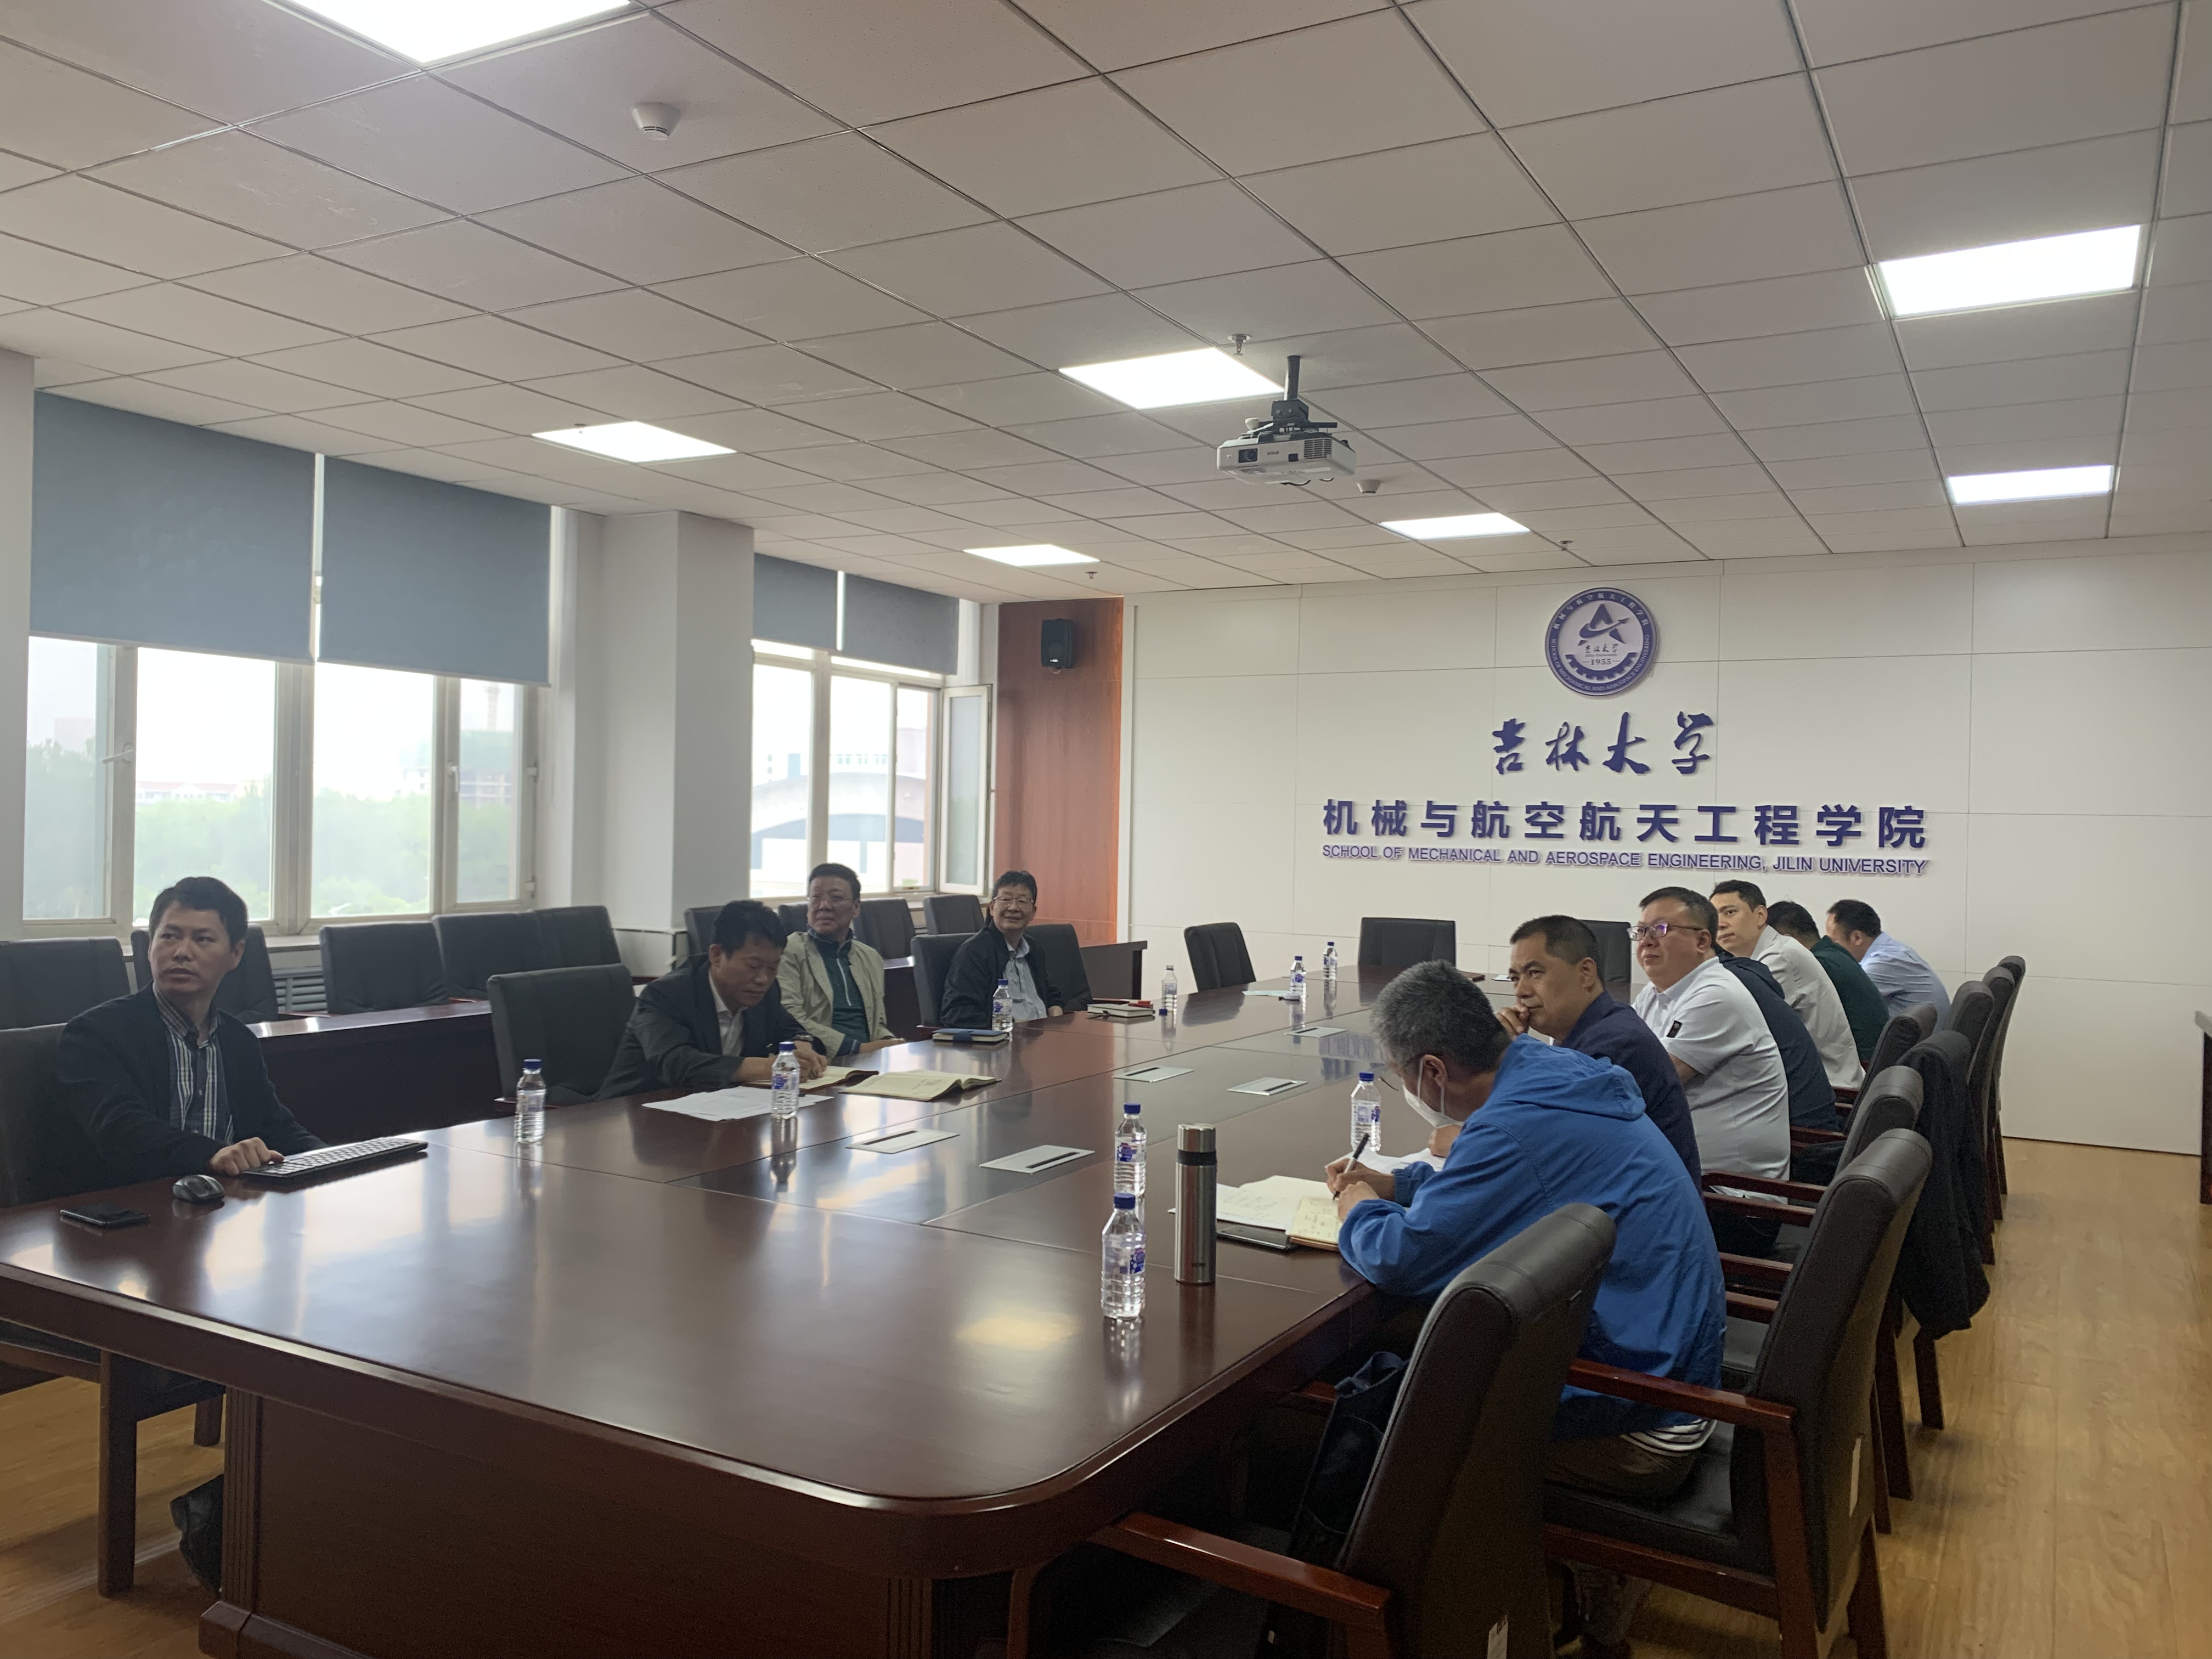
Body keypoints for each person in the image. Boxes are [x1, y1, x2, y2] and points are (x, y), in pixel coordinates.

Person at [1328, 961, 1724, 1659]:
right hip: (1670, 1375)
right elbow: (1497, 1177)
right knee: (1427, 1342)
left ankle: (1415, 1624)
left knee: (1379, 1422)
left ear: (1431, 1071)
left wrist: (1357, 1207)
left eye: (1399, 1077)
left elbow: (1400, 1259)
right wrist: (1398, 1183)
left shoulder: (1515, 1125)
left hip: (1639, 1422)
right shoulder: (1552, 1076)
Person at [50, 876, 325, 1195]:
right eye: (169, 936)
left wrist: (332, 1157)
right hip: (132, 1209)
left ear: (235, 954)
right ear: (150, 946)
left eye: (203, 939)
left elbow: (275, 1128)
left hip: (220, 1209)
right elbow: (122, 1131)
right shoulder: (96, 1034)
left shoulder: (238, 1040)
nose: (182, 952)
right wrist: (212, 1155)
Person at [1499, 915, 1700, 1181]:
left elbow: (1534, 1146)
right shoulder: (1594, 1026)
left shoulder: (1614, 1047)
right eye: (1515, 978)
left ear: (1586, 973)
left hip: (1637, 1203)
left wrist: (1502, 1060)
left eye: (1535, 973)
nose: (1521, 991)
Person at [1628, 887, 1791, 1184]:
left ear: (1702, 941)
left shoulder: (1717, 995)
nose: (1646, 941)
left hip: (1727, 1192)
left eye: (1660, 929)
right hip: (1678, 1174)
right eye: (1640, 931)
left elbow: (1646, 1085)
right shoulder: (1653, 993)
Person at [597, 900, 825, 1099]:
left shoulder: (765, 992)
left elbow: (789, 1029)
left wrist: (802, 1044)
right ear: (717, 955)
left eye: (773, 968)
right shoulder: (666, 995)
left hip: (717, 1113)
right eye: (753, 966)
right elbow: (675, 1064)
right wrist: (767, 1067)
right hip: (629, 1113)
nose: (763, 979)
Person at [1711, 880, 1860, 1093]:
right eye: (1715, 917)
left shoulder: (1780, 957)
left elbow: (1740, 1027)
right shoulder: (1760, 956)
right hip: (1805, 1079)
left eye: (1730, 912)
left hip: (1826, 1087)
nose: (1721, 924)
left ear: (1760, 915)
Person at [776, 863, 898, 1059]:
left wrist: (891, 1042)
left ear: (856, 908)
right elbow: (791, 1018)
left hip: (871, 1058)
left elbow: (878, 1023)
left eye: (836, 898)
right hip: (820, 1060)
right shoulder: (789, 952)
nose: (824, 906)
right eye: (816, 898)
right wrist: (856, 1049)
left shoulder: (870, 957)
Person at [938, 870, 1065, 1029]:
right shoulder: (974, 952)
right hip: (1005, 1040)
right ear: (992, 908)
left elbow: (1050, 994)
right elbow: (956, 1013)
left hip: (1045, 1035)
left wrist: (1055, 1010)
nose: (1013, 907)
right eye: (1006, 899)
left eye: (1022, 901)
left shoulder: (1034, 949)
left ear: (1033, 912)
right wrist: (1009, 1024)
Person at [1768, 900, 1889, 1063]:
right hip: (1873, 1059)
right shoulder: (1834, 952)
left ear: (1787, 941)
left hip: (1860, 1065)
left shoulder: (1818, 964)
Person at [1827, 898, 1951, 1022]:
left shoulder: (1882, 963)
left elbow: (1834, 1004)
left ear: (1857, 938)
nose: (1830, 947)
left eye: (1833, 941)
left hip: (1920, 1034)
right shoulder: (1892, 949)